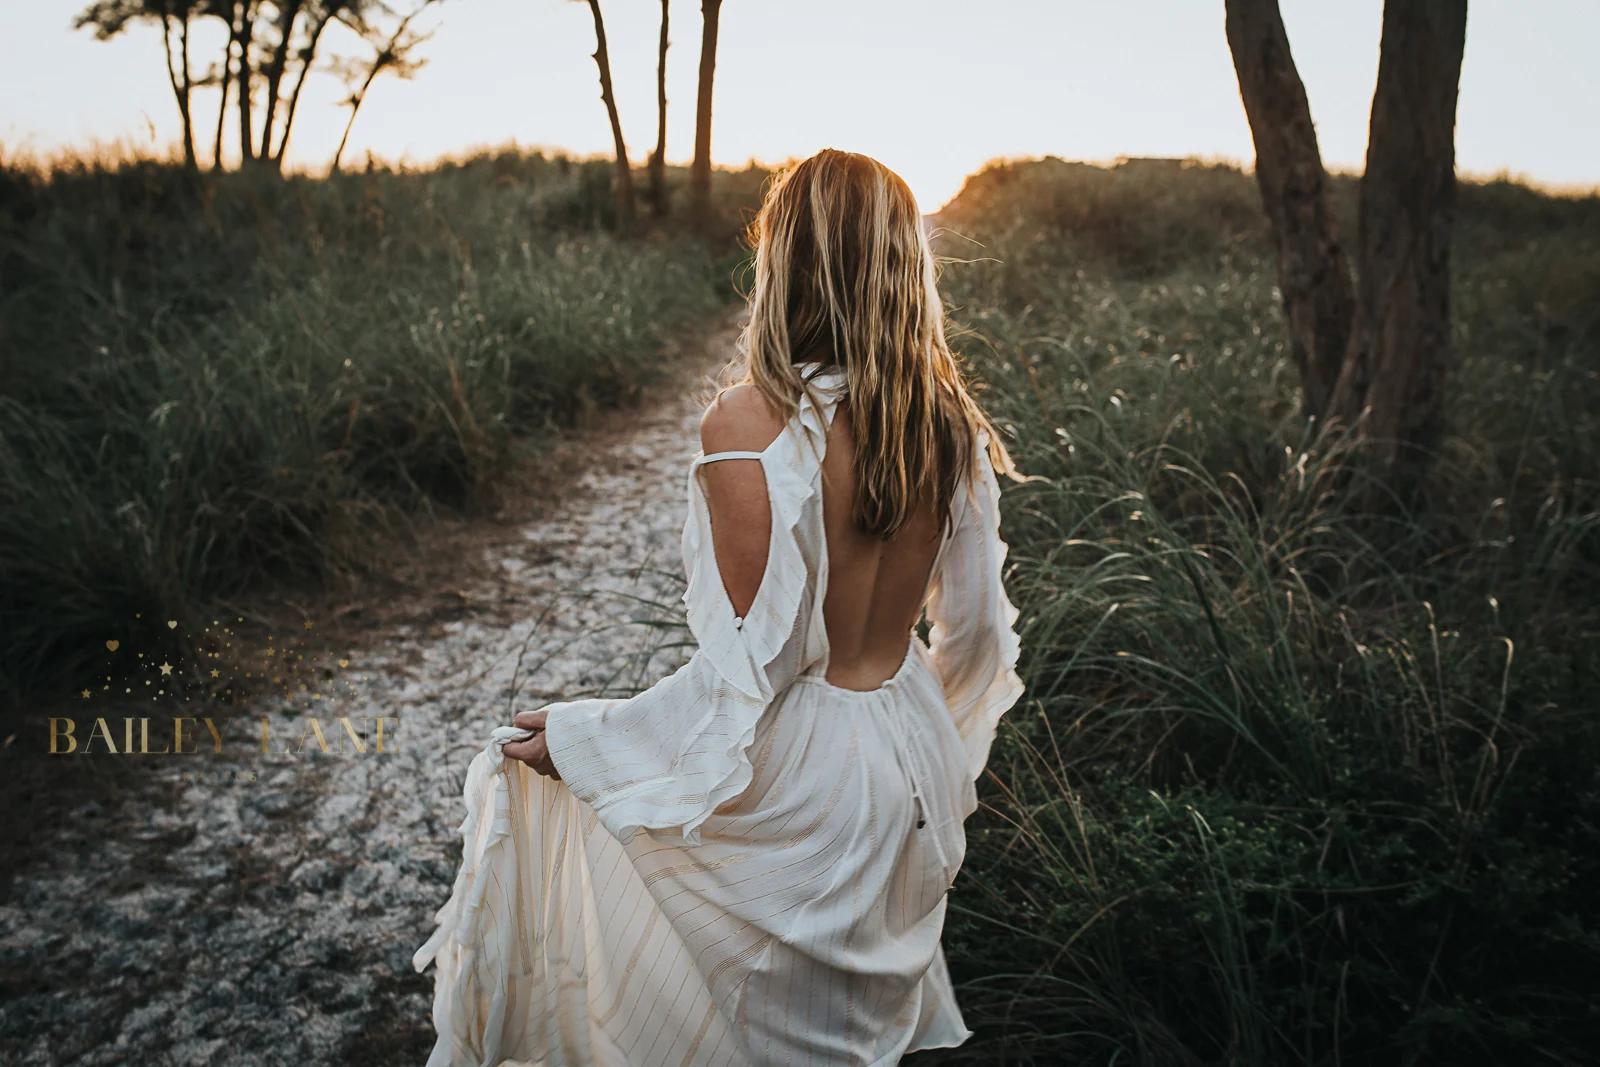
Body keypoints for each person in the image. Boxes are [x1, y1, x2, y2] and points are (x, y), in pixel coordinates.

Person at [414, 148, 1023, 1067]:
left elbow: (753, 674)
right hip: (911, 751)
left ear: (784, 259)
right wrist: (922, 740)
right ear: (906, 263)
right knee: (860, 1029)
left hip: (808, 774)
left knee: (773, 1031)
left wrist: (587, 737)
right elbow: (974, 639)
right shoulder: (949, 423)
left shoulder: (746, 423)